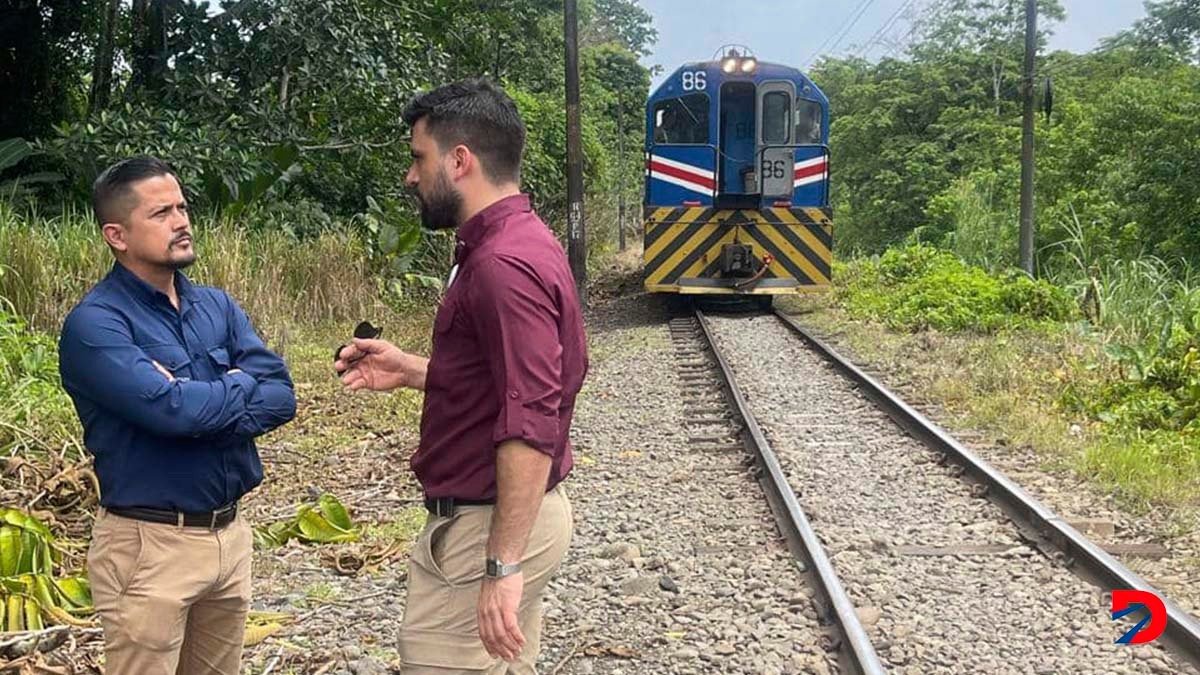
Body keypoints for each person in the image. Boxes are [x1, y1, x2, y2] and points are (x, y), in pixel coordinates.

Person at [335, 78, 587, 674]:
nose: (411, 176)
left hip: (488, 521)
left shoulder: (503, 266)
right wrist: (416, 371)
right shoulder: (516, 241)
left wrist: (500, 566)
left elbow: (530, 421)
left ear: (460, 160)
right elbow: (514, 382)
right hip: (499, 515)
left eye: (418, 158)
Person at [58, 156, 297, 675]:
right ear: (116, 235)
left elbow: (281, 395)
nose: (181, 221)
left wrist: (203, 397)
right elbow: (173, 415)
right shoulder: (96, 326)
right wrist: (234, 386)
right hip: (149, 547)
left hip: (229, 538)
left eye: (182, 207)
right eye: (161, 213)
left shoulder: (217, 307)